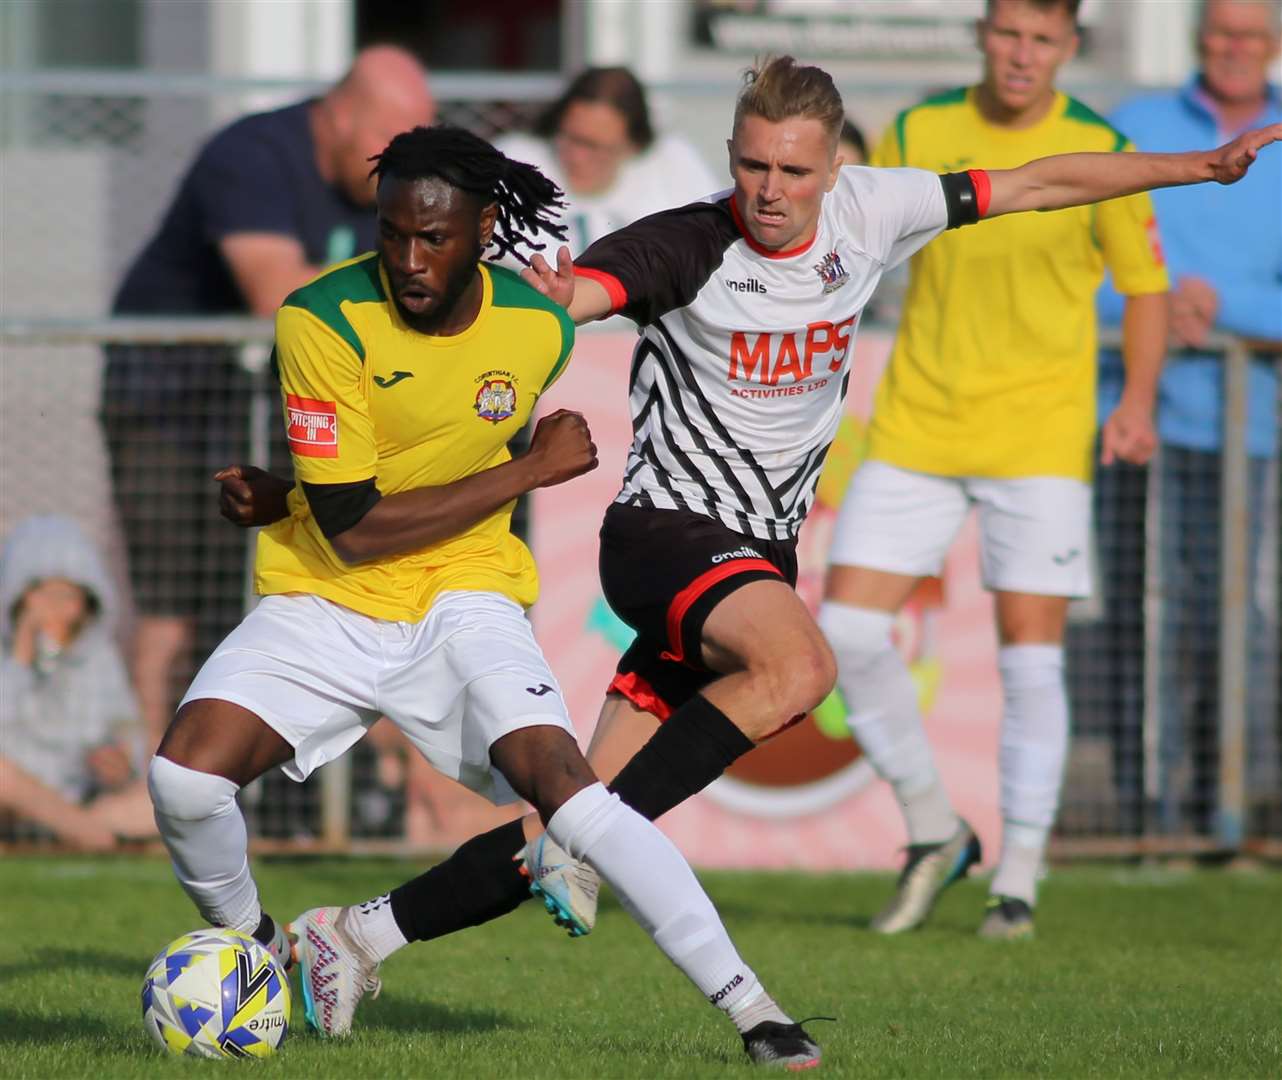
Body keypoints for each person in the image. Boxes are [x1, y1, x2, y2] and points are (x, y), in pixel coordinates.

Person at [215, 54, 1280, 962]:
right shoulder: (681, 242)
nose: (769, 189)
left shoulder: (878, 208)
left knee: (569, 824)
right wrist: (538, 291)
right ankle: (592, 855)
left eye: (793, 170)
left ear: (834, 168)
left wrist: (1197, 168)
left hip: (751, 552)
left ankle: (352, 940)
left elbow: (1043, 179)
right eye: (752, 164)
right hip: (664, 536)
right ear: (732, 157)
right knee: (801, 669)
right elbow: (566, 303)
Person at [148, 125, 821, 1069]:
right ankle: (260, 956)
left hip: (466, 598)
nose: (409, 261)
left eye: (435, 239)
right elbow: (357, 525)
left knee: (574, 798)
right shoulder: (319, 319)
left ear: (485, 230)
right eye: (391, 235)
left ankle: (758, 1013)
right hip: (329, 595)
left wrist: (290, 490)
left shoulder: (537, 329)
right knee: (183, 778)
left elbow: (431, 447)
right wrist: (527, 472)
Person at [817, 0, 1173, 941]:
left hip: (1040, 439)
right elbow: (857, 257)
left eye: (1042, 40)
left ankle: (1017, 880)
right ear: (983, 32)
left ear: (1069, 48)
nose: (1022, 54)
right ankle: (937, 827)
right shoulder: (919, 128)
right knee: (847, 632)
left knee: (1031, 660)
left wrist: (1134, 402)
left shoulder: (1101, 146)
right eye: (1009, 33)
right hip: (917, 426)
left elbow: (1146, 291)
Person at [101, 46, 435, 750]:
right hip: (167, 399)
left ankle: (291, 789)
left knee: (293, 599)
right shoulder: (251, 155)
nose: (398, 177)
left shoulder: (388, 185)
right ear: (341, 117)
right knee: (173, 607)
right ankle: (151, 774)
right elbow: (273, 293)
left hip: (264, 403)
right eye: (388, 151)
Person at [1085, 0, 1282, 836]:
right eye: (1220, 33)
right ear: (1198, 39)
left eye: (1251, 35)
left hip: (1238, 433)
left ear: (1271, 46)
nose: (1234, 49)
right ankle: (1140, 814)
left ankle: (1218, 814)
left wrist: (1218, 305)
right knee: (1132, 619)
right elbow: (1078, 262)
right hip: (1128, 423)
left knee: (1220, 622)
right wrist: (1160, 303)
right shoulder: (1136, 126)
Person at [0, 515, 155, 849]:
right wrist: (20, 661)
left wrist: (120, 758)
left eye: (68, 598)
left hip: (80, 799)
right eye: (45, 596)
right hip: (12, 800)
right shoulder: (9, 656)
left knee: (166, 799)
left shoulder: (100, 657)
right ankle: (96, 837)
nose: (56, 610)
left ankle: (78, 829)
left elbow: (125, 726)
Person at [495, 66, 718, 256]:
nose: (577, 157)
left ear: (633, 145)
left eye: (594, 146)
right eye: (570, 138)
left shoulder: (673, 163)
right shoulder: (516, 161)